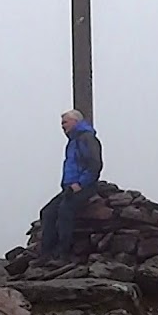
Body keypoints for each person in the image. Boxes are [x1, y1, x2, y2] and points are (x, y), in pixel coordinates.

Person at [37, 109, 103, 263]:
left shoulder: (87, 138)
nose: (62, 126)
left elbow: (95, 164)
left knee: (65, 211)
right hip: (70, 187)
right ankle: (46, 254)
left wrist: (81, 183)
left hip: (84, 186)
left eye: (65, 122)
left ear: (76, 121)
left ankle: (63, 254)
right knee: (47, 212)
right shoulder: (73, 141)